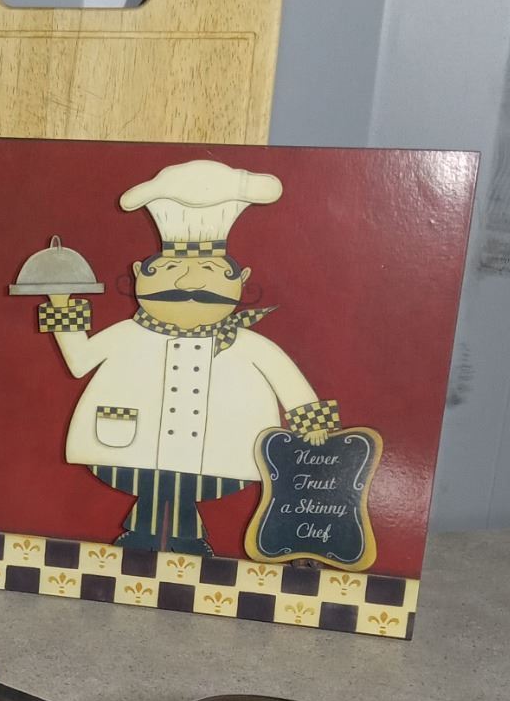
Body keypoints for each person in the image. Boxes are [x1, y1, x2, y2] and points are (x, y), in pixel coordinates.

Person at [41, 159, 340, 555]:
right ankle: (145, 539)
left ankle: (185, 542)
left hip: (221, 447)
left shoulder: (246, 343)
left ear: (242, 279)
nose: (188, 281)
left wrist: (312, 424)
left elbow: (284, 376)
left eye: (211, 269)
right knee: (149, 482)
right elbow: (79, 359)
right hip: (130, 441)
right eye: (169, 268)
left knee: (194, 485)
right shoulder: (130, 333)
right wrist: (60, 304)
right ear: (138, 272)